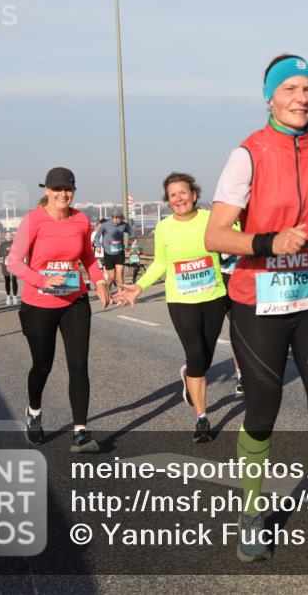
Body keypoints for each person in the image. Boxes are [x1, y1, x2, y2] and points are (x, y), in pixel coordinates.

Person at [204, 54, 308, 588]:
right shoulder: (247, 153)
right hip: (258, 302)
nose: (302, 97)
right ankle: (253, 514)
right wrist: (267, 242)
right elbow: (216, 235)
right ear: (270, 96)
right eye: (291, 88)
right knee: (264, 411)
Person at [116, 173, 228, 443]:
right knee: (196, 353)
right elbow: (160, 264)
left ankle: (190, 376)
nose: (179, 198)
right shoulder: (164, 228)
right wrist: (139, 287)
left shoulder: (210, 219)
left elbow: (238, 234)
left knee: (205, 356)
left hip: (214, 296)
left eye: (183, 193)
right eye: (173, 195)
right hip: (181, 300)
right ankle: (202, 418)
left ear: (194, 195)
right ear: (168, 200)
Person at [7, 167, 111, 453]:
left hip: (74, 301)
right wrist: (42, 280)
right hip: (39, 303)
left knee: (78, 365)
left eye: (68, 189)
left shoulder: (81, 220)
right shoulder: (33, 220)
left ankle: (80, 430)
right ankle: (35, 412)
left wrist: (99, 282)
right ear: (47, 191)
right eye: (57, 189)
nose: (63, 194)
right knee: (43, 365)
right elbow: (13, 262)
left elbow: (88, 256)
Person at [218, 221, 244, 396]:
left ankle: (243, 375)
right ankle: (193, 369)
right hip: (225, 280)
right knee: (234, 330)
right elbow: (220, 256)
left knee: (243, 330)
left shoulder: (251, 220)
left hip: (247, 280)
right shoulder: (223, 223)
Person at [94, 213, 132, 290]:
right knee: (111, 277)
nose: (121, 220)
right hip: (108, 254)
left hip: (120, 253)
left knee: (120, 275)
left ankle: (120, 297)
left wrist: (130, 244)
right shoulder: (105, 225)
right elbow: (97, 237)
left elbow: (132, 233)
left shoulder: (124, 225)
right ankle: (106, 291)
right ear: (114, 217)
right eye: (120, 218)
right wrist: (98, 246)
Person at [0, 231, 19, 305]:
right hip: (6, 264)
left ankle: (14, 297)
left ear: (12, 236)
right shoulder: (2, 244)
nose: (8, 236)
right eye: (7, 235)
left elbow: (18, 252)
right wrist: (6, 253)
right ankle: (8, 297)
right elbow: (0, 254)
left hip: (14, 264)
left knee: (14, 280)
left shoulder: (15, 243)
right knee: (7, 280)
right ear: (5, 236)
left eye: (10, 235)